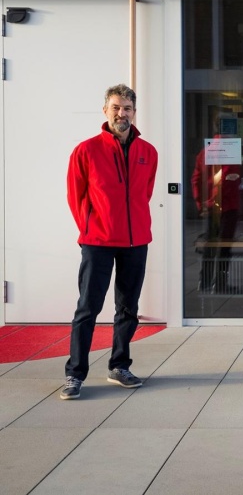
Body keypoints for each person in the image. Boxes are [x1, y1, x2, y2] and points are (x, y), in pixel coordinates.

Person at [61, 84, 158, 400]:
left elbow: (144, 194)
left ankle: (119, 365)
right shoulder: (86, 151)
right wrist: (92, 228)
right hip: (98, 241)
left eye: (127, 108)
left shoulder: (148, 152)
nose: (122, 113)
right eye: (116, 107)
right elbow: (76, 198)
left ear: (134, 112)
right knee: (87, 308)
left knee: (128, 308)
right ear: (105, 111)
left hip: (136, 240)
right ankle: (75, 374)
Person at [192, 114, 242, 294]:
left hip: (210, 207)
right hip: (227, 206)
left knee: (209, 245)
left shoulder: (205, 151)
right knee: (224, 246)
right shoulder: (231, 150)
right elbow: (230, 180)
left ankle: (204, 282)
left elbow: (196, 179)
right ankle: (220, 284)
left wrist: (202, 203)